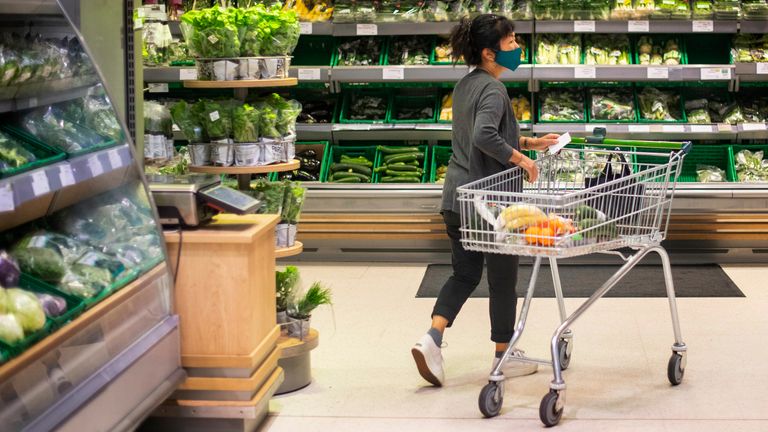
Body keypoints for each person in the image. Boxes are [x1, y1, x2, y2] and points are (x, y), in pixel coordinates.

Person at [411, 14, 560, 387]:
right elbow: (483, 136)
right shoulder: (494, 90)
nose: (517, 48)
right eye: (511, 43)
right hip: (487, 202)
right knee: (502, 279)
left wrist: (530, 142)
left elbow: (484, 132)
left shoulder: (466, 85)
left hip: (457, 198)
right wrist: (523, 160)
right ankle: (503, 354)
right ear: (489, 53)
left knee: (464, 273)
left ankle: (432, 337)